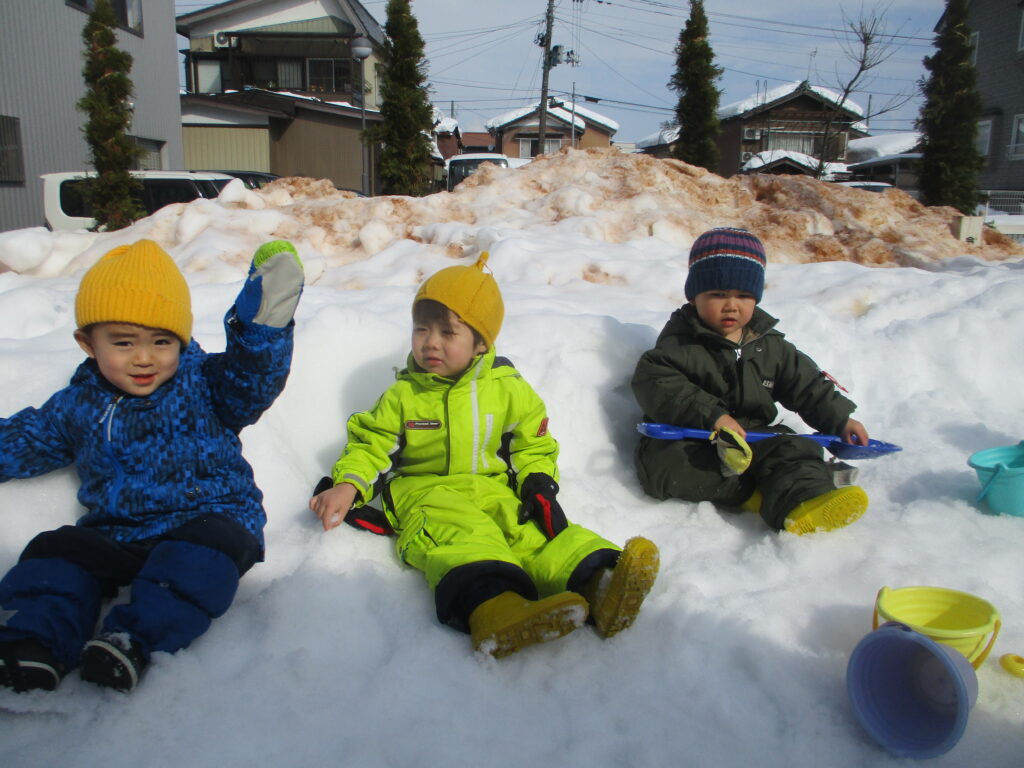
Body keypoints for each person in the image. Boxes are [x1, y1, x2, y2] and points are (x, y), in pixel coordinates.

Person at [310, 254, 659, 658]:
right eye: (421, 328)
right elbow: (371, 445)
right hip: (425, 494)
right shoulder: (404, 395)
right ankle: (495, 610)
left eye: (448, 331)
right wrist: (348, 485)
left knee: (529, 531)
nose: (430, 342)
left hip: (492, 489)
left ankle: (599, 583)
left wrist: (537, 481)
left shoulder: (507, 389)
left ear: (481, 342)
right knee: (462, 537)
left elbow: (533, 443)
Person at [0, 238, 304, 693]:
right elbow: (26, 440)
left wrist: (262, 327)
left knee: (198, 564)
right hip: (118, 533)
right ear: (87, 343)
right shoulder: (77, 404)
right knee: (54, 550)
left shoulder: (205, 384)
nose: (144, 358)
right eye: (123, 343)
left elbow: (253, 380)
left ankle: (132, 641)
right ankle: (33, 642)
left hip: (208, 523)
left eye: (161, 342)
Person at [631, 227, 870, 535]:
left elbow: (807, 385)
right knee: (664, 467)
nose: (732, 305)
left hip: (755, 439)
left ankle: (808, 499)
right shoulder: (679, 344)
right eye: (718, 294)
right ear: (694, 296)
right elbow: (658, 383)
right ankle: (760, 495)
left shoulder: (769, 346)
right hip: (695, 440)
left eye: (743, 296)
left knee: (795, 448)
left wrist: (840, 420)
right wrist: (714, 416)